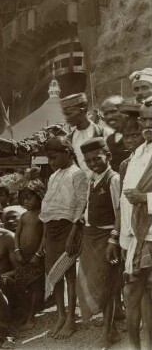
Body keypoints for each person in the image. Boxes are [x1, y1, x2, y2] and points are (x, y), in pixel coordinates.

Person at [108, 100, 152, 350]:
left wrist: (146, 198)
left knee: (139, 295)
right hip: (137, 238)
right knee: (137, 295)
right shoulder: (136, 156)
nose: (147, 125)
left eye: (151, 120)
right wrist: (119, 238)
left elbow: (137, 198)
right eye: (144, 120)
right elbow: (125, 205)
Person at [38, 136, 88, 339]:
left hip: (69, 228)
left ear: (67, 153)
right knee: (53, 274)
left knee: (68, 274)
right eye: (48, 159)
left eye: (53, 157)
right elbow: (47, 209)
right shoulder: (53, 176)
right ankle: (60, 315)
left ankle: (70, 319)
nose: (51, 162)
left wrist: (73, 235)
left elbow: (81, 205)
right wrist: (43, 238)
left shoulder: (78, 175)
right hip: (51, 230)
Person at [76, 137, 121, 348]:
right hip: (91, 236)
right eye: (88, 161)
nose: (93, 163)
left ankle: (108, 331)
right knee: (93, 282)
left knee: (108, 284)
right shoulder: (92, 179)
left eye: (97, 159)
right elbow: (88, 207)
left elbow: (119, 211)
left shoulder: (113, 179)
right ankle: (109, 324)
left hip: (107, 238)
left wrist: (114, 238)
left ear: (108, 156)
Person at [14, 180, 45, 330]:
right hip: (22, 257)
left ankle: (31, 316)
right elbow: (16, 235)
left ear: (39, 197)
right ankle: (26, 313)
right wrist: (17, 251)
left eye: (29, 198)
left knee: (35, 285)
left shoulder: (43, 215)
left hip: (35, 256)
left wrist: (38, 254)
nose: (26, 201)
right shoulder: (24, 216)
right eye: (23, 198)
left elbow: (45, 236)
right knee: (20, 285)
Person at [61, 92, 112, 177]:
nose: (66, 118)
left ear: (83, 109)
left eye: (69, 114)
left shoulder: (104, 133)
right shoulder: (69, 139)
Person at [101, 95, 131, 171]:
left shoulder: (139, 135)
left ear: (125, 111)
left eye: (113, 111)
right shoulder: (109, 140)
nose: (109, 117)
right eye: (106, 114)